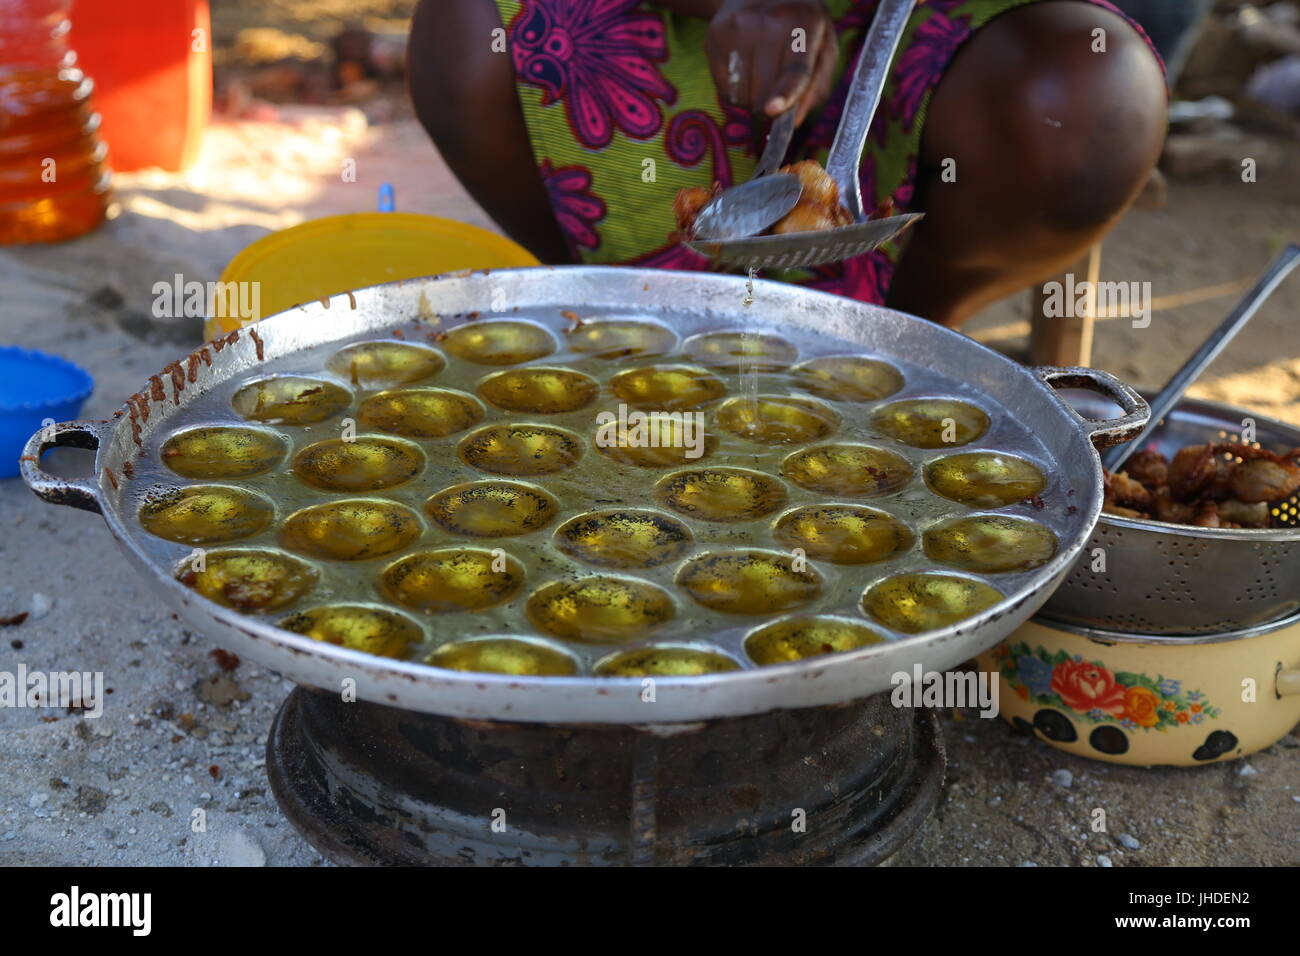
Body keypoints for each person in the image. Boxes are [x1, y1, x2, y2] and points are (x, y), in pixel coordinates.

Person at [408, 0, 1167, 328]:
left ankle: (906, 342)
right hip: (687, 26)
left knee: (1081, 96)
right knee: (471, 35)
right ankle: (621, 322)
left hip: (935, 29)